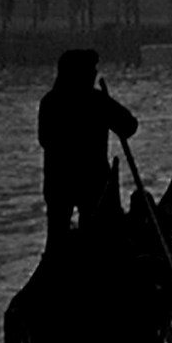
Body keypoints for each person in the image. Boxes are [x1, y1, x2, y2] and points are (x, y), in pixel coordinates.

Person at [38, 48, 138, 246]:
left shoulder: (50, 102)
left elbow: (44, 140)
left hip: (59, 182)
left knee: (58, 238)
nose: (94, 73)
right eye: (90, 69)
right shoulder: (96, 101)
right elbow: (129, 126)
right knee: (95, 237)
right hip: (90, 180)